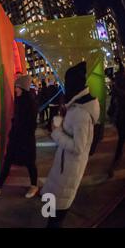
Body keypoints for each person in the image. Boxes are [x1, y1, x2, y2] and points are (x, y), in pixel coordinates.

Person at [42, 62, 100, 228]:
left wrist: (56, 132)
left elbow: (78, 147)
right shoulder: (75, 106)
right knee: (49, 211)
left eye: (67, 82)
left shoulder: (81, 113)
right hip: (61, 169)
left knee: (54, 219)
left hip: (67, 174)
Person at [0, 75, 39, 198]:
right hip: (16, 138)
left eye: (17, 87)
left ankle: (34, 186)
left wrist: (22, 132)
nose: (15, 89)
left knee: (30, 163)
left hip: (25, 139)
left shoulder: (29, 101)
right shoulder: (19, 100)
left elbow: (31, 123)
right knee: (7, 161)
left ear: (23, 88)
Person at [108, 62, 125, 177]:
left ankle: (114, 164)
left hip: (121, 117)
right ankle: (114, 164)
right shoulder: (116, 88)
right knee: (121, 140)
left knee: (121, 141)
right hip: (121, 117)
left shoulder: (117, 87)